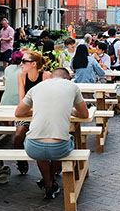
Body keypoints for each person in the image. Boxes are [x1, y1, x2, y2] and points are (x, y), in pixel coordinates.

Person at [15, 68, 89, 199]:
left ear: (51, 78)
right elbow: (84, 114)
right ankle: (50, 181)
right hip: (59, 148)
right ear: (67, 78)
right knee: (65, 140)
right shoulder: (72, 86)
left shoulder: (37, 87)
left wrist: (35, 110)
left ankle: (48, 184)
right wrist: (71, 111)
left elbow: (19, 113)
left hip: (33, 147)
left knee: (40, 149)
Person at [15, 50, 52, 174]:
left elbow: (48, 100)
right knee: (18, 135)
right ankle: (21, 160)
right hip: (28, 112)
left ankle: (52, 168)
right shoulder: (21, 75)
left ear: (34, 64)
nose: (21, 64)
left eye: (24, 61)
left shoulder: (46, 76)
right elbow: (22, 99)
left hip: (42, 114)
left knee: (46, 137)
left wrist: (32, 110)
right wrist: (29, 110)